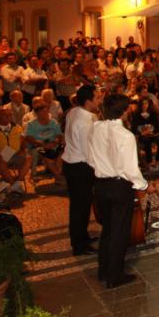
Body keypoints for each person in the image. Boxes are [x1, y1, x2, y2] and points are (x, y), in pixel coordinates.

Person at [88, 94, 148, 287]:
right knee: (120, 232)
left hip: (100, 184)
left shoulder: (95, 128)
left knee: (107, 229)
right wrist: (143, 186)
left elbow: (90, 158)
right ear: (124, 112)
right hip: (119, 186)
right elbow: (130, 169)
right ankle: (115, 275)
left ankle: (104, 270)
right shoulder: (125, 135)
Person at [62, 85, 100, 256]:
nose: (99, 101)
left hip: (71, 162)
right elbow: (88, 152)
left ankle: (82, 236)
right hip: (80, 166)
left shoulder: (74, 112)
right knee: (80, 207)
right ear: (88, 100)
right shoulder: (84, 122)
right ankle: (79, 245)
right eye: (97, 98)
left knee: (79, 205)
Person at [0, 107, 32, 194]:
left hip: (14, 153)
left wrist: (24, 150)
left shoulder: (17, 127)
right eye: (5, 115)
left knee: (28, 158)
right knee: (1, 161)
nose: (8, 117)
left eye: (10, 115)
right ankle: (13, 184)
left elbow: (23, 142)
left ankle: (16, 183)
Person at [24, 101, 64, 181]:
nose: (46, 113)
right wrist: (42, 144)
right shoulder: (31, 124)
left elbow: (59, 135)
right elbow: (28, 137)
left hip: (53, 144)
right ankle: (58, 176)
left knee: (63, 153)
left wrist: (56, 141)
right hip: (39, 145)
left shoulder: (53, 122)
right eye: (43, 111)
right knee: (46, 155)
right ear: (37, 113)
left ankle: (57, 174)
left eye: (47, 111)